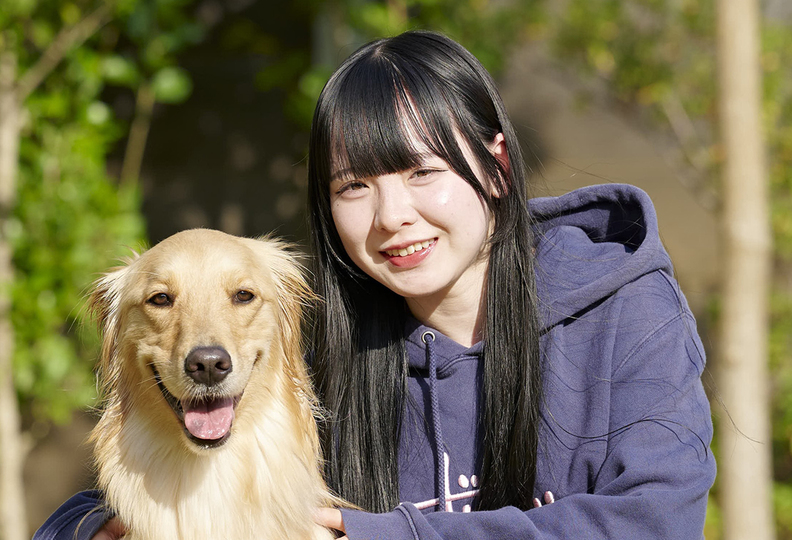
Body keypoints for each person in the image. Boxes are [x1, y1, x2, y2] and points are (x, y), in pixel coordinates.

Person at [34, 30, 716, 540]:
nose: (393, 218)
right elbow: (155, 487)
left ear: (497, 166)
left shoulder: (624, 304)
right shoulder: (315, 337)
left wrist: (377, 533)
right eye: (354, 186)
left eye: (423, 173)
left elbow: (655, 522)